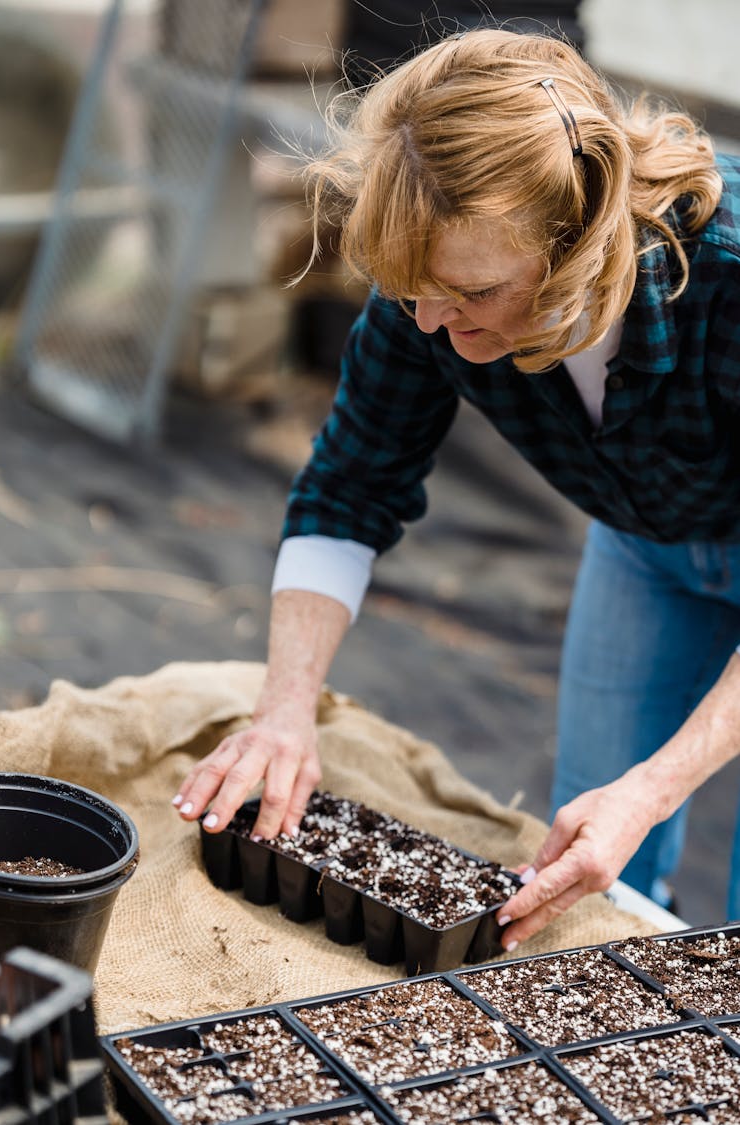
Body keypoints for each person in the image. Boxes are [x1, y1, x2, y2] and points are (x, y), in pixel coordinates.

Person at [175, 28, 740, 952]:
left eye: (472, 293)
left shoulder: (727, 276)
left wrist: (655, 785)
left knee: (642, 805)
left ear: (576, 238)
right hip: (646, 548)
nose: (433, 322)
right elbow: (351, 485)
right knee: (592, 865)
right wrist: (284, 707)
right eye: (410, 291)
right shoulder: (427, 293)